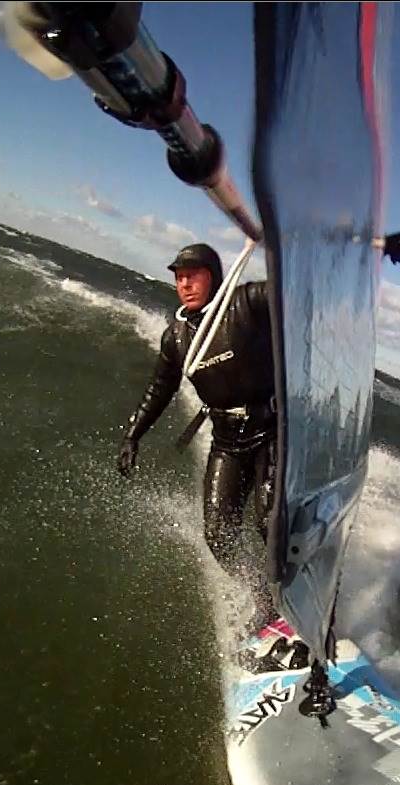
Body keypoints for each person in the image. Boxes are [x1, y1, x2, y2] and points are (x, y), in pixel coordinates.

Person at [117, 242, 278, 622]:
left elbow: (295, 288)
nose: (185, 284)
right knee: (218, 533)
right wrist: (132, 434)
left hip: (273, 431)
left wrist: (362, 249)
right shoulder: (176, 338)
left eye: (193, 276)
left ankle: (297, 588)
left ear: (214, 277)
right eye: (179, 278)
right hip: (228, 442)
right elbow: (159, 389)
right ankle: (264, 599)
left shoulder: (246, 303)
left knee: (270, 521)